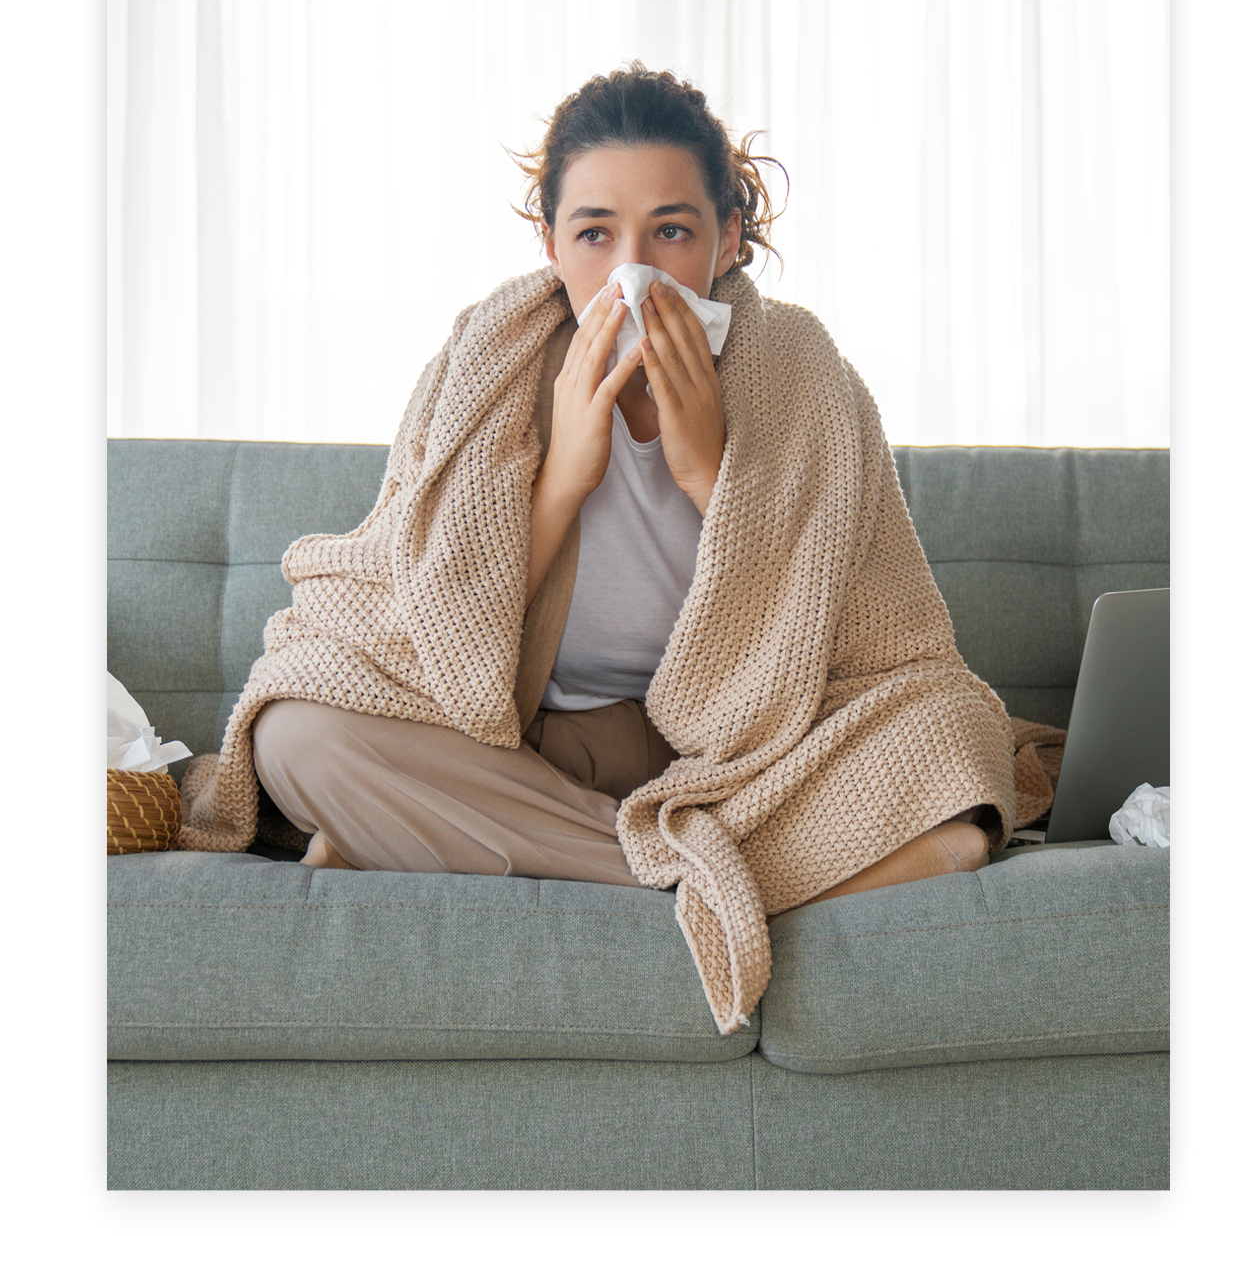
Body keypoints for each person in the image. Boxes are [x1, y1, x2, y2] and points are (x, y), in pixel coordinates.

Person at [182, 64, 1019, 1033]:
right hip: (528, 740)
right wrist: (564, 477)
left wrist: (714, 474)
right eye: (595, 233)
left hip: (743, 753)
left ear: (729, 239)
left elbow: (861, 642)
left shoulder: (802, 370)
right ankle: (728, 876)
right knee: (300, 734)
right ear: (548, 242)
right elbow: (439, 643)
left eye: (671, 229)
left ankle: (442, 844)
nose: (635, 268)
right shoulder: (487, 356)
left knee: (959, 731)